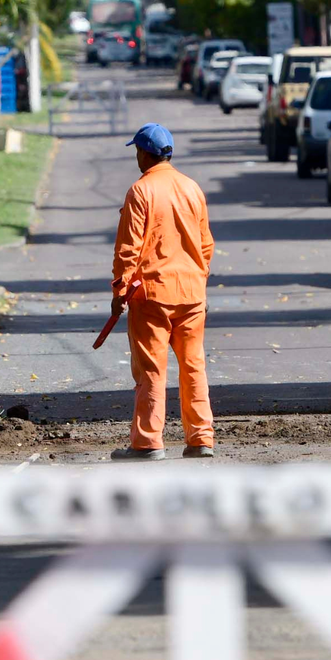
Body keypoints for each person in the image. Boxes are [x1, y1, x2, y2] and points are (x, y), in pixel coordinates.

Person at [109, 123, 216, 461]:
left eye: (137, 151)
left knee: (152, 370)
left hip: (152, 296)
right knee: (193, 365)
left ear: (144, 153)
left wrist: (120, 290)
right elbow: (206, 244)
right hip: (191, 295)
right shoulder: (192, 188)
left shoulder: (140, 191)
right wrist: (198, 279)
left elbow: (128, 248)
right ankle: (200, 439)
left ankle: (147, 443)